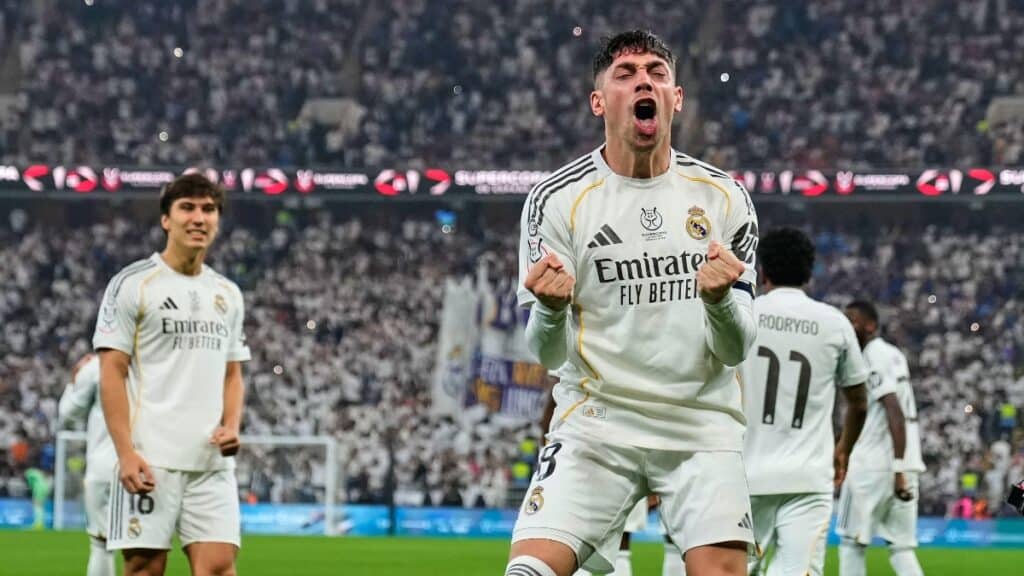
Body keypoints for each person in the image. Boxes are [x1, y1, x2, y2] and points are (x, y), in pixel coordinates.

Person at [508, 30, 759, 576]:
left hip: (700, 423)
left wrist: (718, 300)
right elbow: (547, 355)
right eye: (626, 74)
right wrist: (550, 309)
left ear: (676, 97)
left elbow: (738, 348)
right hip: (596, 421)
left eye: (656, 73)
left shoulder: (724, 197)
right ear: (600, 101)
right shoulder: (556, 200)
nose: (644, 80)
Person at [93, 173, 251, 576]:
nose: (199, 218)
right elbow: (111, 371)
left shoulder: (228, 294)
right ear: (166, 219)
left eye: (209, 209)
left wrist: (232, 424)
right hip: (151, 459)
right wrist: (125, 453)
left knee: (217, 567)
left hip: (211, 462)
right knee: (145, 568)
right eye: (188, 207)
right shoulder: (132, 284)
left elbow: (232, 373)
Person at [740, 228, 869, 576]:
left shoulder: (743, 314)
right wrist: (844, 448)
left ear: (763, 271)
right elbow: (858, 401)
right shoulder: (835, 324)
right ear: (810, 273)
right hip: (808, 476)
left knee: (732, 570)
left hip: (743, 473)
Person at [838, 301, 926, 576]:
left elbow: (894, 410)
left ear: (871, 325)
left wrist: (896, 467)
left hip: (874, 464)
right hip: (908, 462)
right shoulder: (894, 354)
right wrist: (902, 467)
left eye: (852, 319)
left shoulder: (871, 356)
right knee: (902, 548)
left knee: (851, 543)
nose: (847, 324)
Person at [58, 353, 117, 576]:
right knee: (146, 550)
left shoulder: (96, 366)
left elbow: (68, 414)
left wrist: (74, 379)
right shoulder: (156, 359)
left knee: (101, 545)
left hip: (105, 464)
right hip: (150, 465)